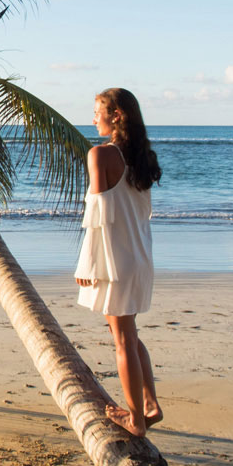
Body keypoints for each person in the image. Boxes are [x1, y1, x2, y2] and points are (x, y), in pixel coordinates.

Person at [74, 88, 163, 437]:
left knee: (123, 339)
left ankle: (136, 420)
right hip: (139, 257)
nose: (93, 117)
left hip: (116, 261)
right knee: (127, 333)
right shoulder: (141, 158)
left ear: (117, 116)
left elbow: (97, 217)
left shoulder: (101, 155)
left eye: (98, 111)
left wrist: (86, 266)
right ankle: (149, 406)